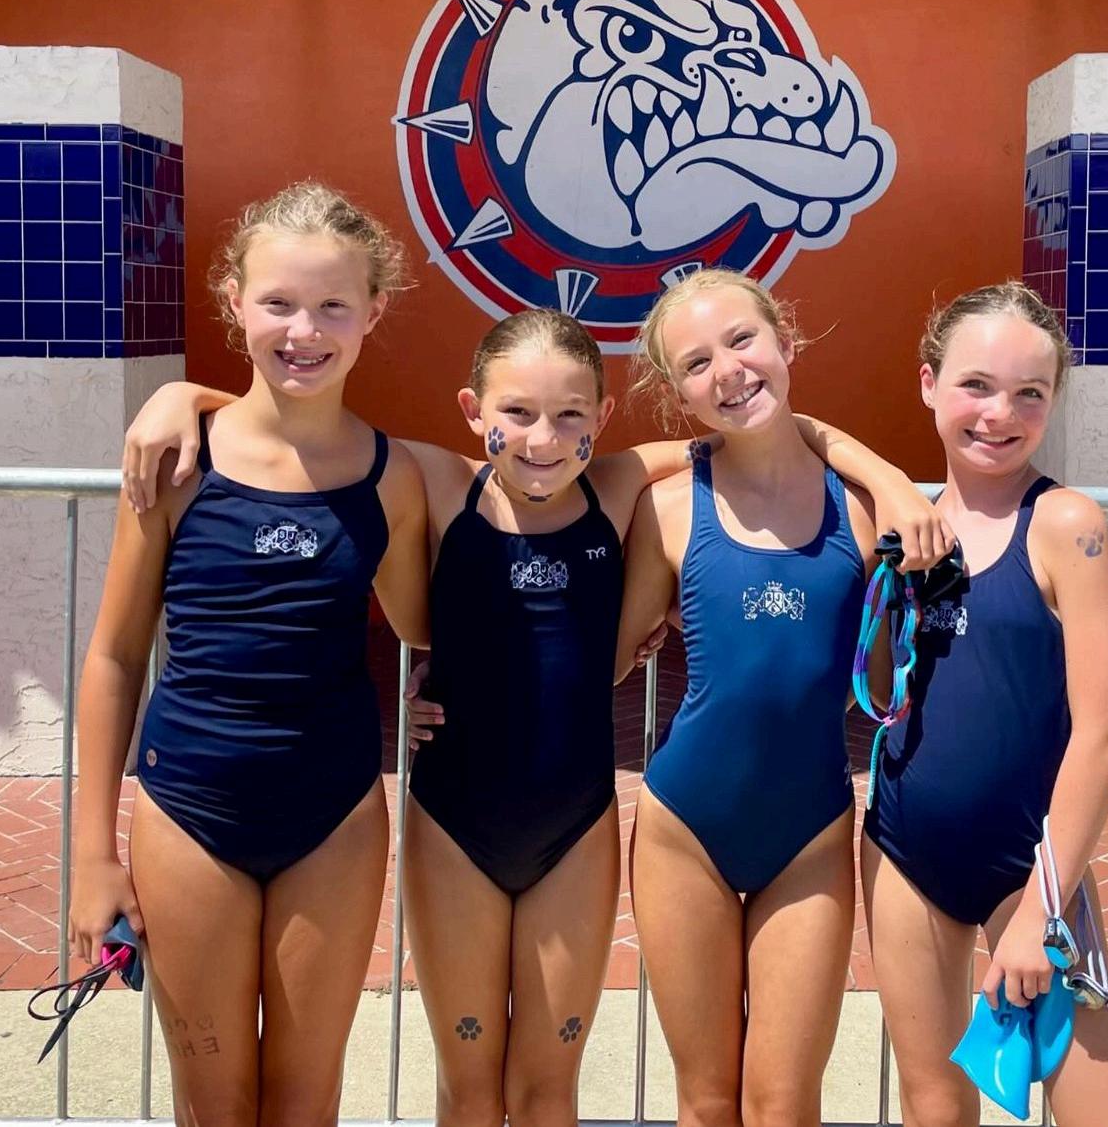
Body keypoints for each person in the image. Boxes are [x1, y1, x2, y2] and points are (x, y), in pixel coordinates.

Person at [122, 306, 945, 1127]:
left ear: (603, 416)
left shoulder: (615, 488)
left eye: (569, 415)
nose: (543, 438)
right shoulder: (437, 482)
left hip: (573, 834)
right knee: (470, 1093)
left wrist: (881, 475)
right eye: (515, 412)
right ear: (472, 409)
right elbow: (306, 423)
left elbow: (765, 429)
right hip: (454, 828)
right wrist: (185, 398)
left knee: (549, 1095)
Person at [69, 182, 430, 1126]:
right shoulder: (174, 463)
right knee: (214, 1104)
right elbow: (114, 655)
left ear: (373, 312)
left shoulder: (393, 479)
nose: (303, 329)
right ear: (234, 301)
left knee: (305, 1102)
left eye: (332, 305)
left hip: (335, 819)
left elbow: (426, 623)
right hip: (189, 812)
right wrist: (92, 853)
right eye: (278, 302)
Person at [861, 282, 1108, 1127]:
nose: (1000, 413)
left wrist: (1040, 912)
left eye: (1030, 392)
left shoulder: (1064, 523)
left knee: (1107, 1114)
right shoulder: (907, 534)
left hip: (1036, 866)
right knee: (936, 1109)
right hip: (903, 853)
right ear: (928, 384)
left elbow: (1104, 736)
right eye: (976, 385)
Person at [613, 268, 884, 1127]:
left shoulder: (866, 510)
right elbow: (604, 661)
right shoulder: (667, 508)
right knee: (706, 1101)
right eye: (696, 363)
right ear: (678, 395)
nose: (727, 370)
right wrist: (450, 678)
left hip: (809, 834)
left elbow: (885, 685)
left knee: (782, 1104)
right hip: (684, 830)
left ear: (784, 340)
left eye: (742, 340)